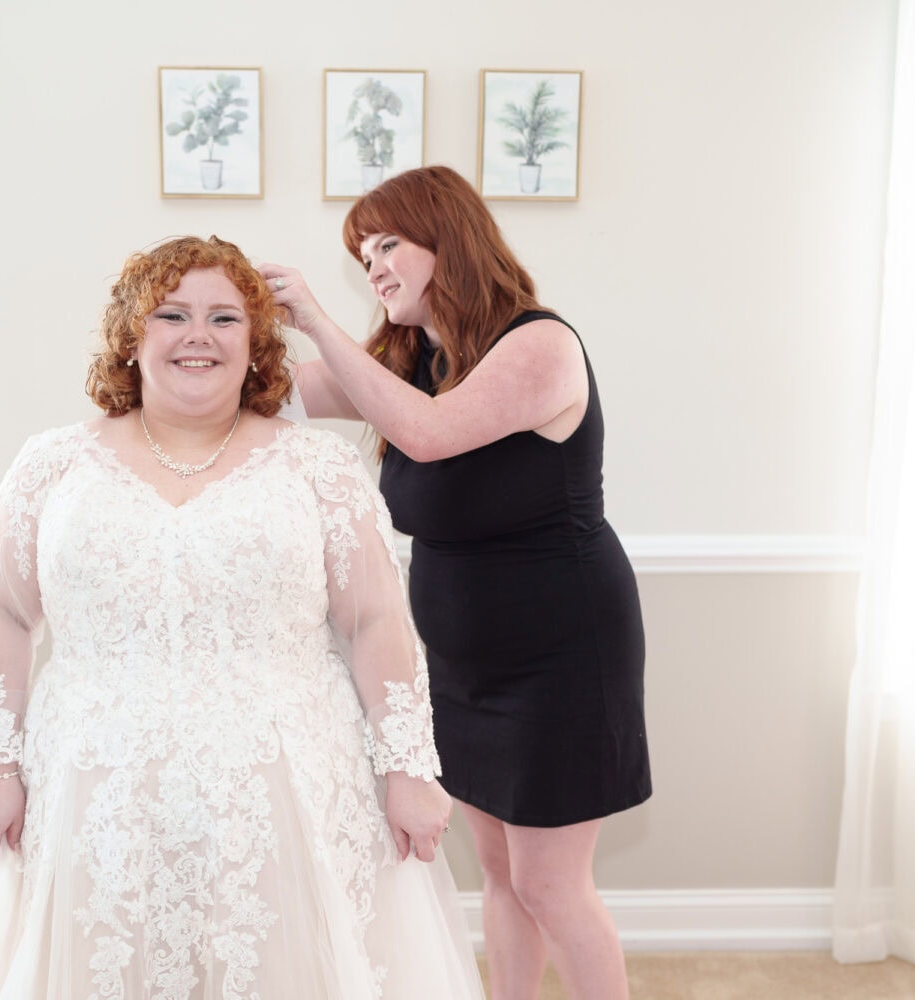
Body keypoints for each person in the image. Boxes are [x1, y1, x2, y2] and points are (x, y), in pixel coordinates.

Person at [0, 235, 485, 999]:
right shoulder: (51, 466)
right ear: (132, 337)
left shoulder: (317, 468)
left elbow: (377, 624)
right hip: (94, 797)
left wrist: (408, 768)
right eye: (172, 314)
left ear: (256, 347)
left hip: (284, 794)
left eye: (225, 318)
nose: (199, 335)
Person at [260, 165, 650, 1000]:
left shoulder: (539, 345)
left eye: (387, 244)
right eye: (362, 255)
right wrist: (208, 333)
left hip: (563, 655)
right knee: (504, 876)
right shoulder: (416, 357)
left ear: (450, 236)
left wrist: (318, 321)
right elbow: (276, 396)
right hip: (467, 667)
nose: (373, 267)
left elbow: (429, 434)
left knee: (552, 884)